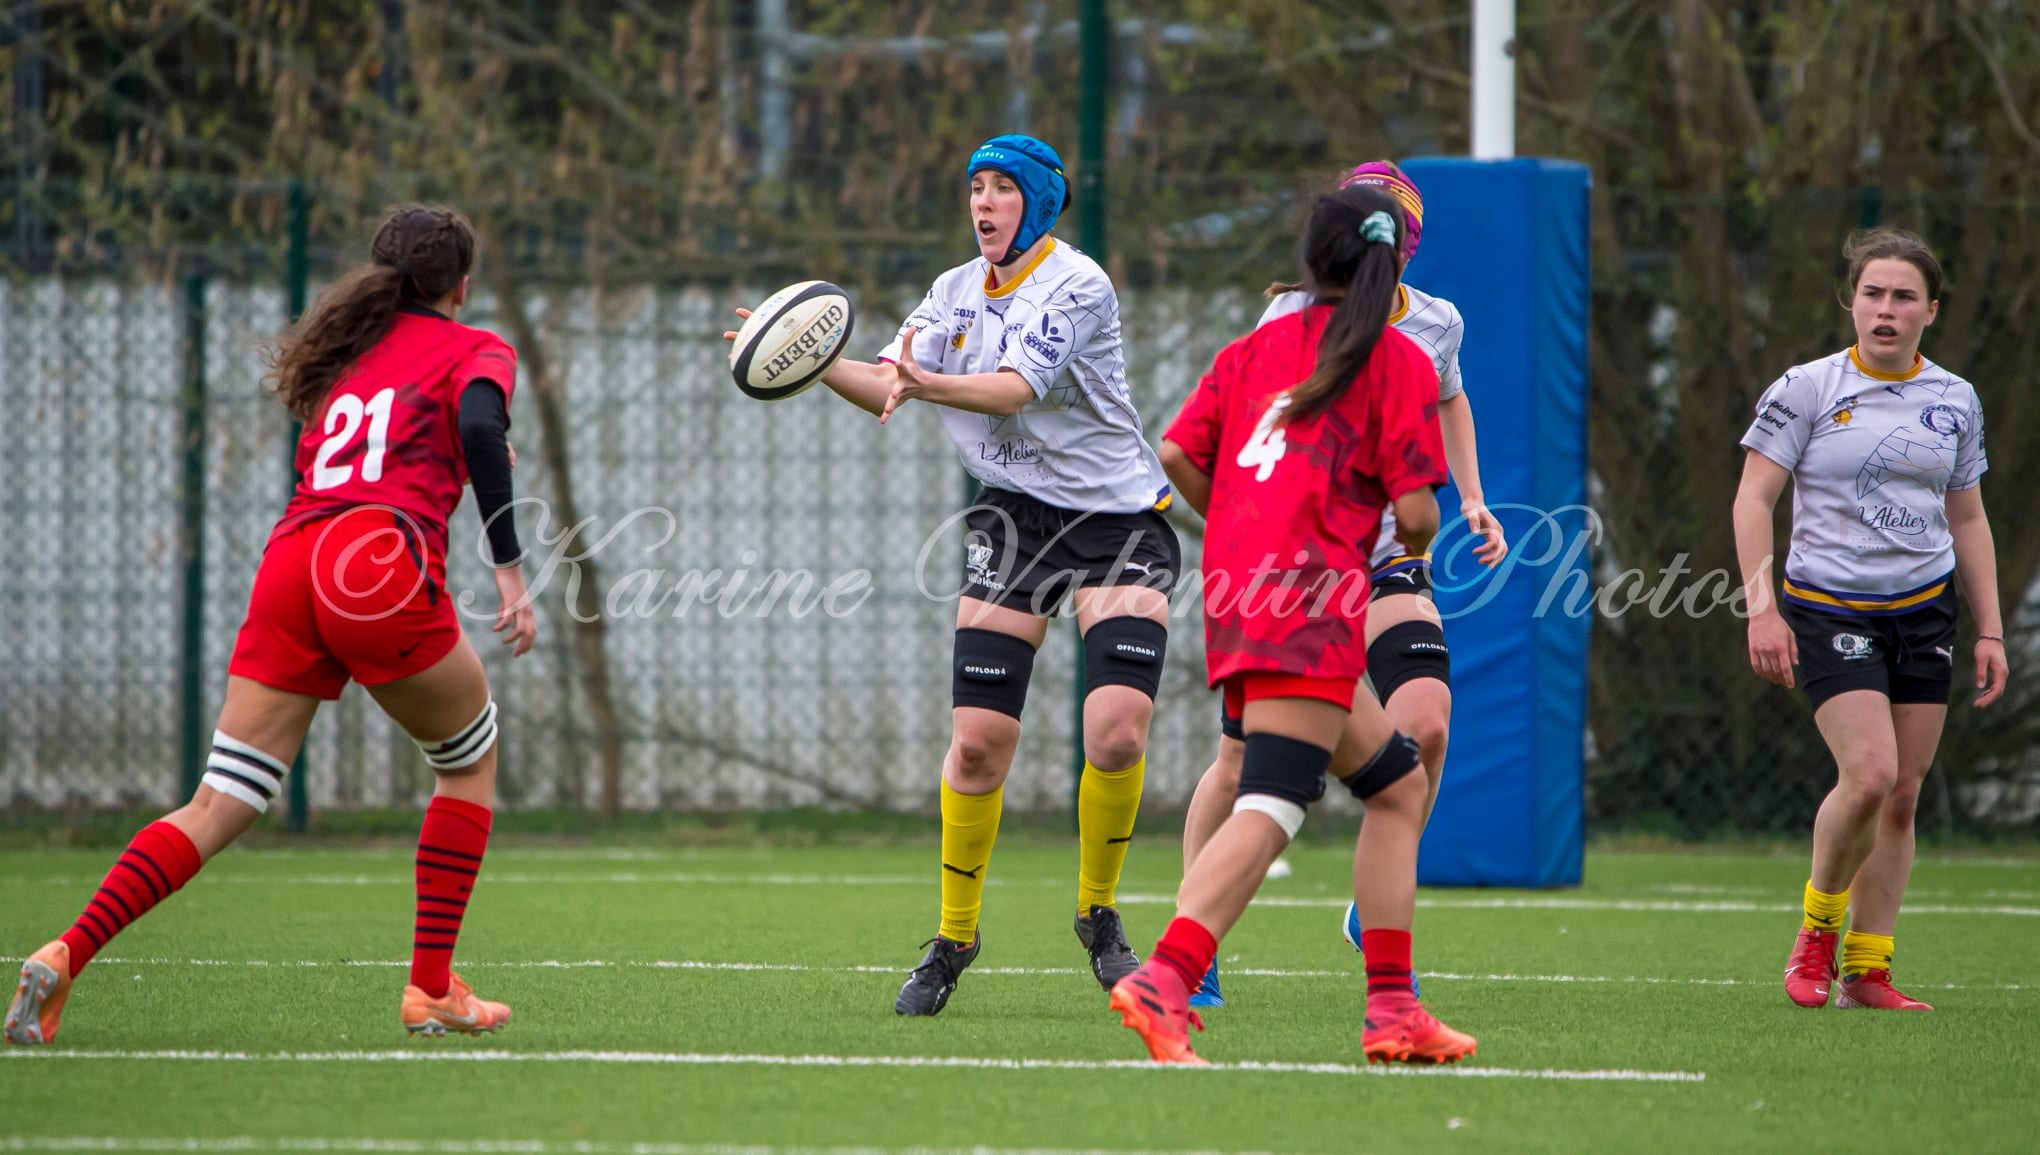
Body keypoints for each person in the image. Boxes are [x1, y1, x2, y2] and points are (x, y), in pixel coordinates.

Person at [5, 206, 539, 1045]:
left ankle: (64, 951)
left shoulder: (348, 352)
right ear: (461, 286)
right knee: (468, 760)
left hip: (293, 557)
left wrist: (477, 454)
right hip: (373, 561)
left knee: (220, 799)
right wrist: (509, 567)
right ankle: (431, 987)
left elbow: (416, 443)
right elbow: (473, 423)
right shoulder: (479, 345)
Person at [729, 135, 1179, 1017]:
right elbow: (895, 387)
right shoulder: (951, 293)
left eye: (1003, 188)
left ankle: (1098, 914)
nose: (984, 203)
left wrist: (921, 382)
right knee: (977, 743)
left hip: (1119, 519)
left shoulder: (1076, 284)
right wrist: (805, 359)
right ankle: (955, 935)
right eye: (975, 186)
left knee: (1117, 731)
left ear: (1040, 204)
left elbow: (1014, 388)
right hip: (1012, 519)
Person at [1112, 185, 1476, 1065]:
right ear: (1389, 268)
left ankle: (1393, 1008)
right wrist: (1389, 537)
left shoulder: (1253, 345)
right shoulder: (1394, 362)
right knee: (1273, 800)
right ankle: (1165, 976)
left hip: (1242, 589)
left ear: (1310, 262)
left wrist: (1238, 522)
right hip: (1313, 596)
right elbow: (1419, 516)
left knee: (1394, 784)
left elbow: (1174, 455)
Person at [1179, 161, 1507, 1008]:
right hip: (1303, 575)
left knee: (1419, 733)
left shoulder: (1430, 330)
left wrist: (1471, 497)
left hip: (1356, 562)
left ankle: (1382, 947)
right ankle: (1182, 961)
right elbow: (1399, 494)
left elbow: (1451, 401)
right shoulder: (1289, 327)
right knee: (1259, 779)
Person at [1734, 227, 2005, 1012]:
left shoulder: (1956, 399)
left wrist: (1989, 629)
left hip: (1924, 609)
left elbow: (1969, 518)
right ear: (1850, 301)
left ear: (1931, 311)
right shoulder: (1806, 388)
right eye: (1874, 294)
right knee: (1871, 772)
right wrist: (1763, 610)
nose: (1886, 309)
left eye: (1904, 297)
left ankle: (1868, 969)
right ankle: (1814, 936)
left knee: (1903, 793)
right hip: (1826, 605)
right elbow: (1753, 499)